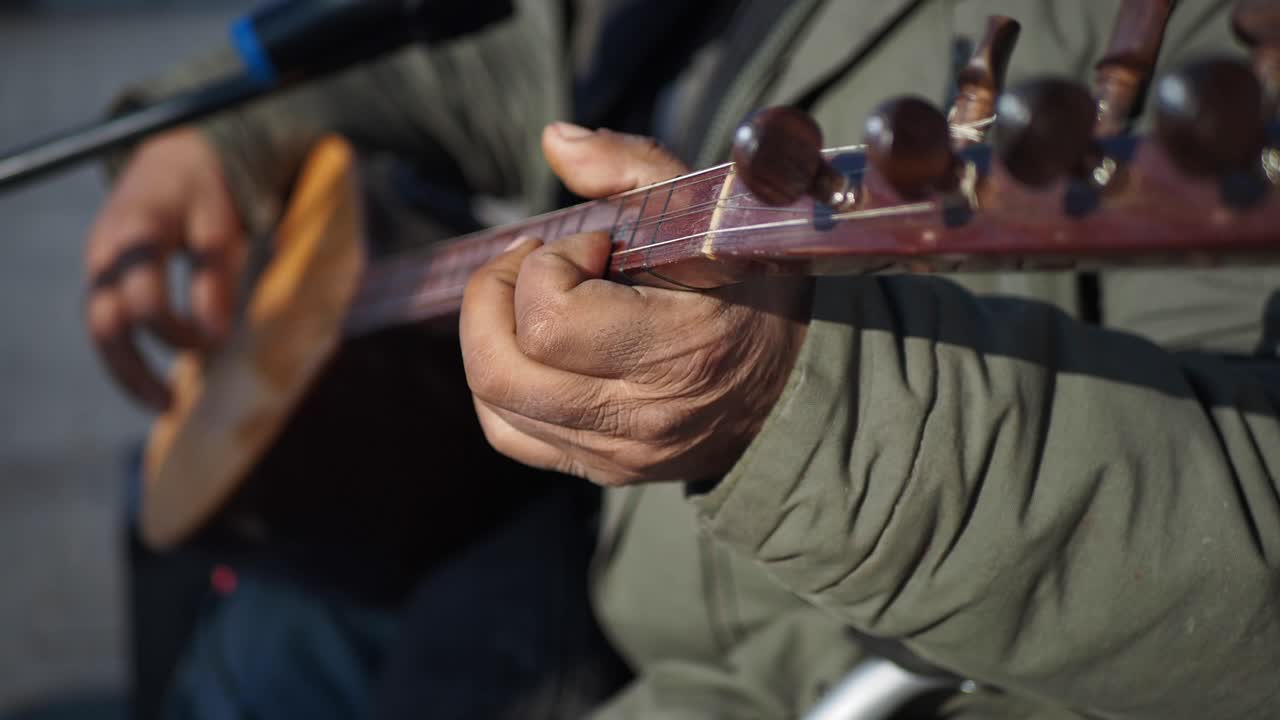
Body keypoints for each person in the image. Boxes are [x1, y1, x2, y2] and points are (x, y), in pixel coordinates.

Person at [85, 0, 1279, 718]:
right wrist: (212, 133)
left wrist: (788, 399)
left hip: (814, 665)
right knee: (230, 594)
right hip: (575, 538)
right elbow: (503, 55)